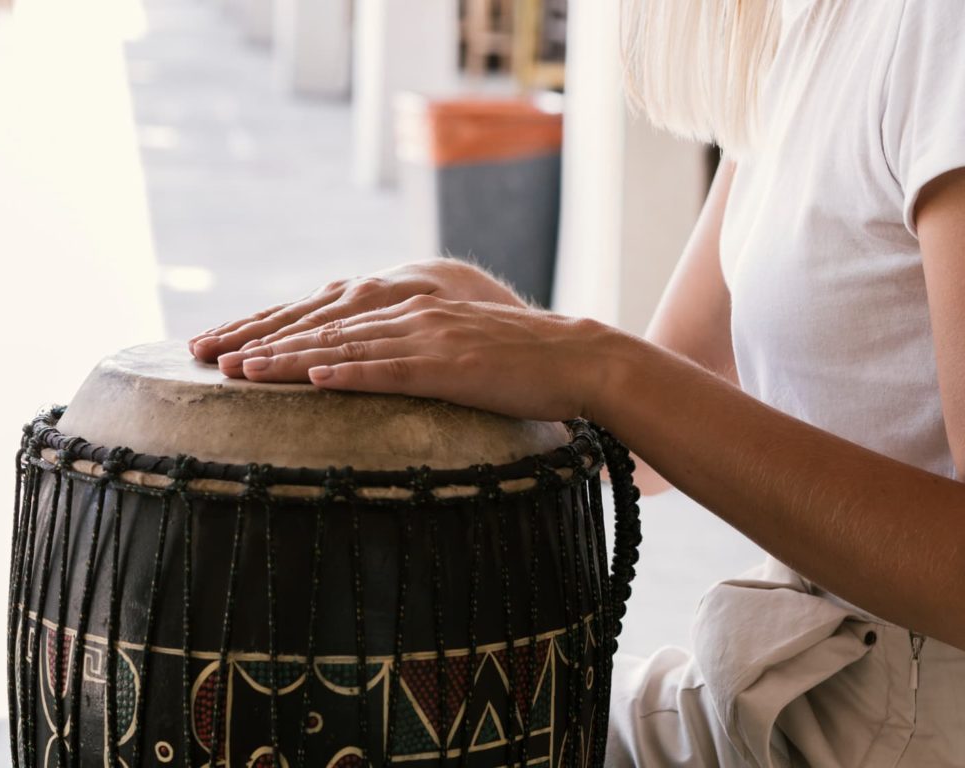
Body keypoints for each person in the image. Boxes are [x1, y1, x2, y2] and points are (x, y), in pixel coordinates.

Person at [189, 0, 965, 763]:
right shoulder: (810, 25)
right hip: (788, 686)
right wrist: (497, 323)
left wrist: (595, 364)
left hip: (902, 725)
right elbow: (653, 439)